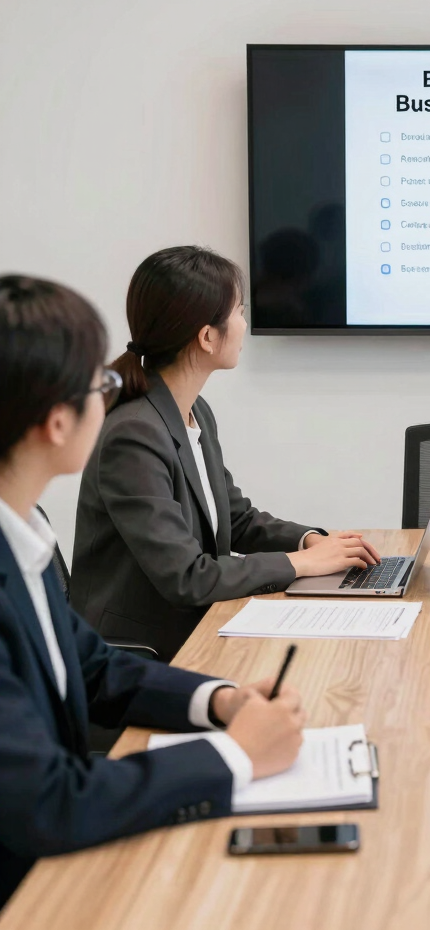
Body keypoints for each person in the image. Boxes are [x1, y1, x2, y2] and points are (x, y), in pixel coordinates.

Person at [0, 274, 308, 905]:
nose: (113, 392)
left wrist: (220, 700)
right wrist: (234, 758)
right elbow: (51, 803)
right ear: (59, 422)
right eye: (100, 383)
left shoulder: (23, 530)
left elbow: (90, 667)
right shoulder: (132, 434)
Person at [71, 246, 380, 659]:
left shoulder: (194, 411)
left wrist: (311, 541)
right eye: (239, 311)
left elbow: (234, 518)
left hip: (193, 629)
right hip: (137, 654)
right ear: (207, 336)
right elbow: (186, 577)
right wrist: (301, 564)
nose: (244, 323)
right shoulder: (134, 436)